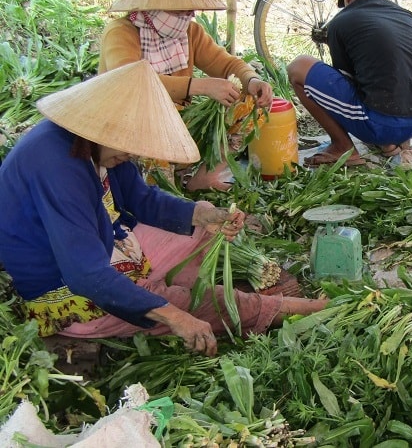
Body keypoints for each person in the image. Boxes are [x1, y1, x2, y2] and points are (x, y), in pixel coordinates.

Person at [0, 61, 327, 357]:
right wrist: (174, 316)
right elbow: (85, 275)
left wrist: (202, 215)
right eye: (131, 147)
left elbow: (140, 199)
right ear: (108, 127)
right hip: (69, 290)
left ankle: (179, 292)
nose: (132, 155)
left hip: (106, 244)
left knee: (201, 233)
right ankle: (298, 308)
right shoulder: (57, 166)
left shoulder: (99, 141)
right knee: (196, 305)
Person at [98, 0, 273, 190]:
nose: (188, 17)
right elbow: (131, 82)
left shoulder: (188, 32)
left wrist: (251, 79)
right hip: (134, 123)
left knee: (252, 106)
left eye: (189, 11)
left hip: (178, 119)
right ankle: (158, 190)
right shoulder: (121, 33)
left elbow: (227, 63)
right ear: (154, 8)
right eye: (180, 12)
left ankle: (204, 176)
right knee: (161, 189)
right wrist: (199, 86)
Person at [286, 0, 412, 168]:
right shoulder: (409, 17)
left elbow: (347, 78)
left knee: (298, 67)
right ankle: (391, 142)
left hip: (382, 123)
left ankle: (342, 147)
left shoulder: (341, 22)